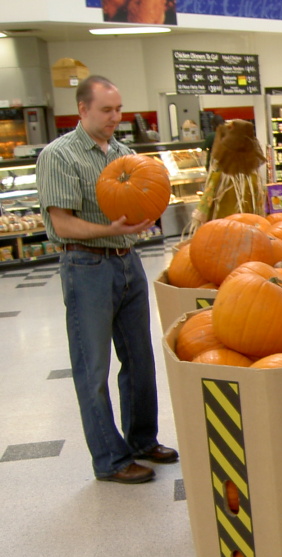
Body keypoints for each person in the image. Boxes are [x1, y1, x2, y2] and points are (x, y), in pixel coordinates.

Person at [36, 75, 178, 484]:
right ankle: (110, 460)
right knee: (93, 367)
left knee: (140, 359)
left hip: (127, 261)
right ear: (82, 109)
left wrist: (140, 219)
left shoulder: (123, 154)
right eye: (106, 110)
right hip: (86, 267)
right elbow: (62, 224)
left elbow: (139, 198)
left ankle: (142, 440)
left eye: (119, 109)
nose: (116, 117)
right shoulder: (59, 155)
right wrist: (111, 229)